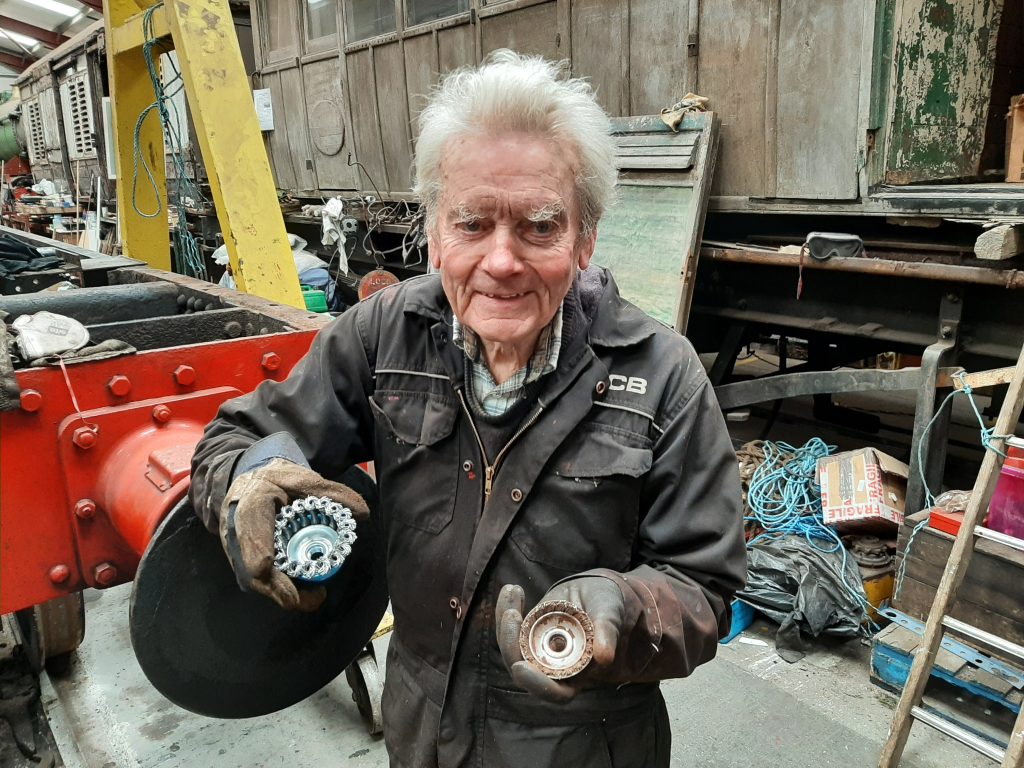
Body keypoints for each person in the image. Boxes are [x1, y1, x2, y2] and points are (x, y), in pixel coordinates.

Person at [190, 50, 746, 768]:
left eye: (540, 227)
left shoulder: (662, 374)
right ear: (433, 228)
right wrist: (253, 480)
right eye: (472, 223)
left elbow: (705, 588)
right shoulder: (381, 335)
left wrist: (628, 609)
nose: (503, 259)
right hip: (422, 735)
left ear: (585, 238)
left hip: (585, 747)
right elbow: (236, 437)